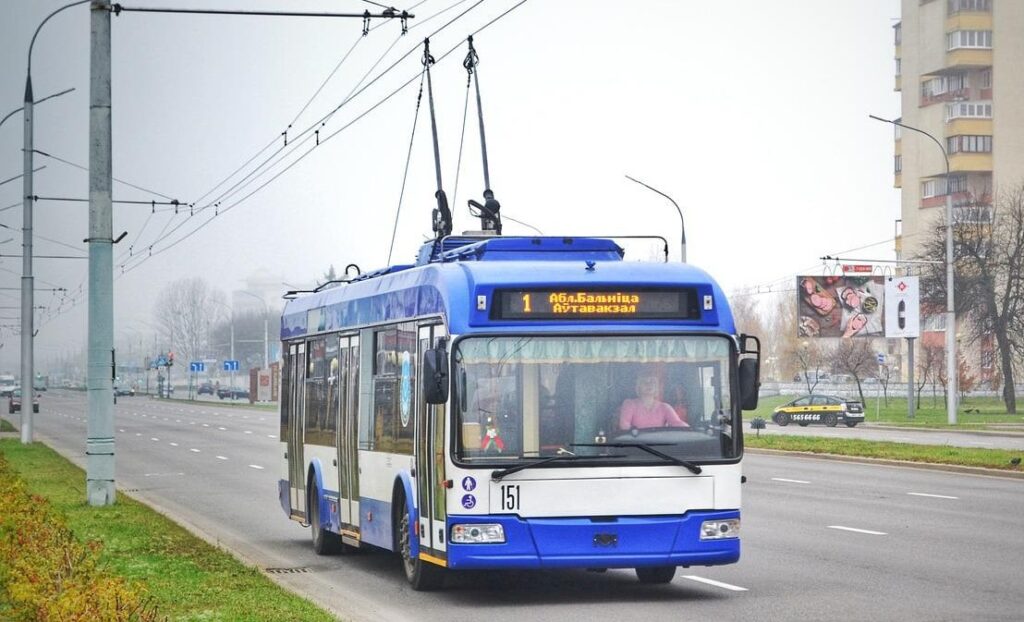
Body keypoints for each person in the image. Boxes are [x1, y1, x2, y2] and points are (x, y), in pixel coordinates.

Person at [618, 375, 687, 430]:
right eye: (644, 382)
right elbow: (624, 425)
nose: (649, 384)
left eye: (652, 382)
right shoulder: (629, 404)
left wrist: (691, 431)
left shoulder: (664, 407)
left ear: (656, 387)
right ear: (638, 386)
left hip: (658, 446)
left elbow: (677, 423)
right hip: (636, 446)